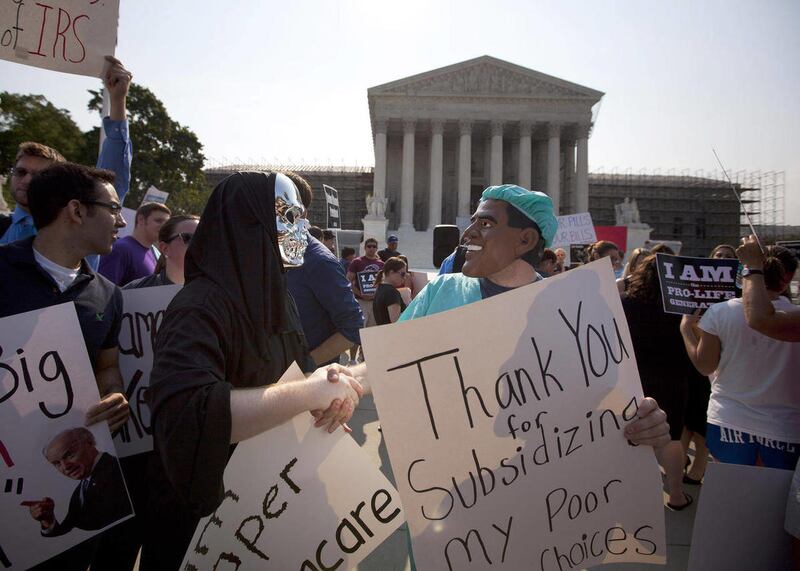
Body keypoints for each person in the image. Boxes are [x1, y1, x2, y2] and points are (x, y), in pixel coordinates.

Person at [143, 172, 363, 569]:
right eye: (290, 216)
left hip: (263, 514)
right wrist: (308, 394)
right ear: (251, 224)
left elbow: (292, 378)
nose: (303, 229)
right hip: (202, 531)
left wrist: (323, 401)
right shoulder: (199, 307)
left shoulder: (277, 298)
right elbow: (188, 414)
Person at [0, 162, 130, 570]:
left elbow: (107, 366)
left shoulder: (108, 295)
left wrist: (112, 396)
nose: (121, 220)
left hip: (55, 507)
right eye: (112, 209)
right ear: (76, 211)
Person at [1, 56, 133, 264]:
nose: (27, 180)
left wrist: (117, 101)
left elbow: (112, 176)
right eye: (21, 172)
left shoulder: (84, 229)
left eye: (38, 175)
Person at [680, 244, 800, 470]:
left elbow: (705, 366)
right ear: (785, 280)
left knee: (733, 497)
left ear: (742, 275)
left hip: (728, 420)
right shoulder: (794, 317)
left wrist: (686, 330)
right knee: (775, 501)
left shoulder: (719, 312)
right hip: (785, 427)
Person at [621, 254, 693, 509]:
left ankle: (636, 498)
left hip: (637, 378)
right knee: (671, 438)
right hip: (674, 378)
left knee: (634, 437)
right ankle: (676, 495)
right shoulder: (684, 306)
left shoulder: (627, 303)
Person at [286, 174, 363, 366]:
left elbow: (353, 328)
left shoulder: (318, 261)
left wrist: (304, 367)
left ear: (299, 210)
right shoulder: (274, 254)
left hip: (308, 386)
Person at [26, 428, 131, 537]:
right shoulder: (80, 489)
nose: (65, 467)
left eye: (69, 455)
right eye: (57, 463)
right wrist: (47, 519)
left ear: (89, 442)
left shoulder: (116, 470)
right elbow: (70, 531)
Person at [99, 202, 171, 286]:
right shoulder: (121, 248)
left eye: (166, 223)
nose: (164, 226)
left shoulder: (156, 253)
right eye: (158, 221)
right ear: (141, 220)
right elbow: (103, 289)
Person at [123, 215, 199, 289]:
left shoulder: (208, 296)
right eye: (189, 238)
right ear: (165, 248)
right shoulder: (135, 291)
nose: (200, 245)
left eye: (205, 239)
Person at [372, 257, 408, 325]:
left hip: (383, 332)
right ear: (391, 273)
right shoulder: (391, 292)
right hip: (392, 334)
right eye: (402, 274)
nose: (404, 277)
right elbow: (396, 321)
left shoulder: (380, 288)